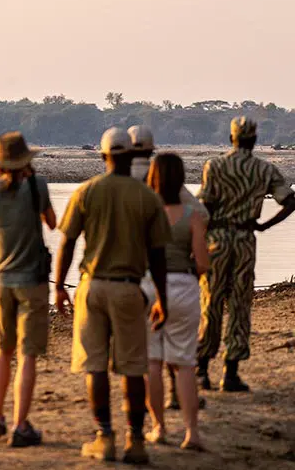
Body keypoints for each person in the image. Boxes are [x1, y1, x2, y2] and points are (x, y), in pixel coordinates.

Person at [55, 127, 171, 465]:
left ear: (103, 156)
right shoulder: (146, 197)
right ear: (131, 156)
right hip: (128, 289)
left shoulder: (86, 192)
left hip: (93, 286)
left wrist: (60, 286)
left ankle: (104, 436)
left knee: (95, 367)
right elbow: (159, 255)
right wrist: (162, 297)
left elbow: (68, 242)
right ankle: (136, 441)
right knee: (134, 367)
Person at [196, 117, 295, 391]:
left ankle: (202, 368)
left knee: (211, 301)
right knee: (240, 303)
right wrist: (264, 225)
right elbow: (289, 201)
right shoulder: (265, 170)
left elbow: (204, 207)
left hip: (216, 239)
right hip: (244, 240)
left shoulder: (214, 166)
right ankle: (231, 373)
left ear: (231, 139)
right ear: (254, 140)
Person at [0, 131, 57, 448]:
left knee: (3, 351)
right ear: (26, 162)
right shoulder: (38, 186)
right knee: (28, 356)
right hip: (32, 283)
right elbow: (51, 223)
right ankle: (20, 424)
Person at [128, 124, 208, 411]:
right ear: (151, 147)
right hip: (180, 280)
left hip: (138, 278)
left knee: (149, 355)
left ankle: (151, 421)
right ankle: (180, 398)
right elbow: (201, 214)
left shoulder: (117, 177)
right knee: (181, 353)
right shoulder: (163, 175)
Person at [143, 153, 209, 451]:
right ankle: (191, 433)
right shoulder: (192, 216)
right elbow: (203, 264)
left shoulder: (145, 213)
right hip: (184, 286)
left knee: (153, 363)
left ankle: (158, 428)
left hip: (149, 288)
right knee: (184, 364)